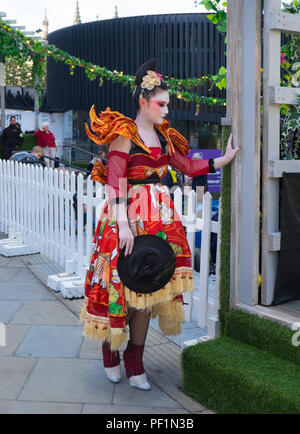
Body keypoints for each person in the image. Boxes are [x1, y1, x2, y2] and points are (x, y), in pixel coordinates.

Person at [80, 59, 240, 391]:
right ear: (143, 101)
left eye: (167, 104)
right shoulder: (124, 135)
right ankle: (111, 352)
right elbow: (115, 182)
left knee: (149, 288)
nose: (166, 110)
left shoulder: (164, 136)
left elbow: (185, 165)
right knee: (120, 288)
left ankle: (135, 360)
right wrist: (124, 225)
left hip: (160, 221)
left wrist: (220, 161)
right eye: (161, 104)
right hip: (125, 219)